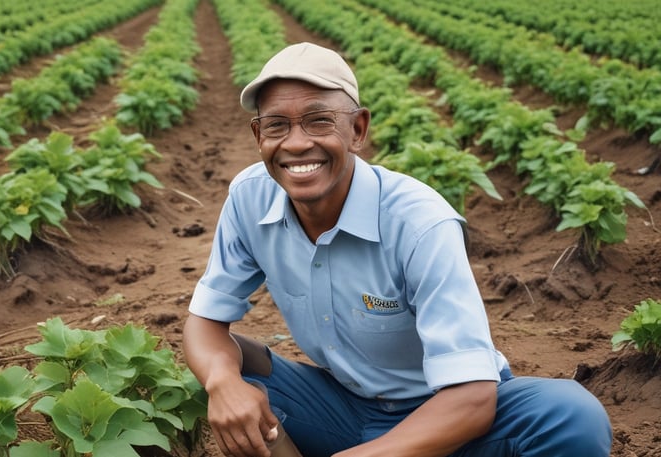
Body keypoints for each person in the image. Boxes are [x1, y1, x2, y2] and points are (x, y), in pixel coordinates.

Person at [182, 42, 612, 457]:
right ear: (259, 135)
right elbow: (204, 322)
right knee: (231, 370)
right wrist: (223, 383)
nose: (296, 143)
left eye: (319, 121)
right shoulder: (249, 197)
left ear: (358, 130)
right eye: (277, 125)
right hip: (345, 408)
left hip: (449, 420)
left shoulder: (420, 223)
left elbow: (474, 398)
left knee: (570, 416)